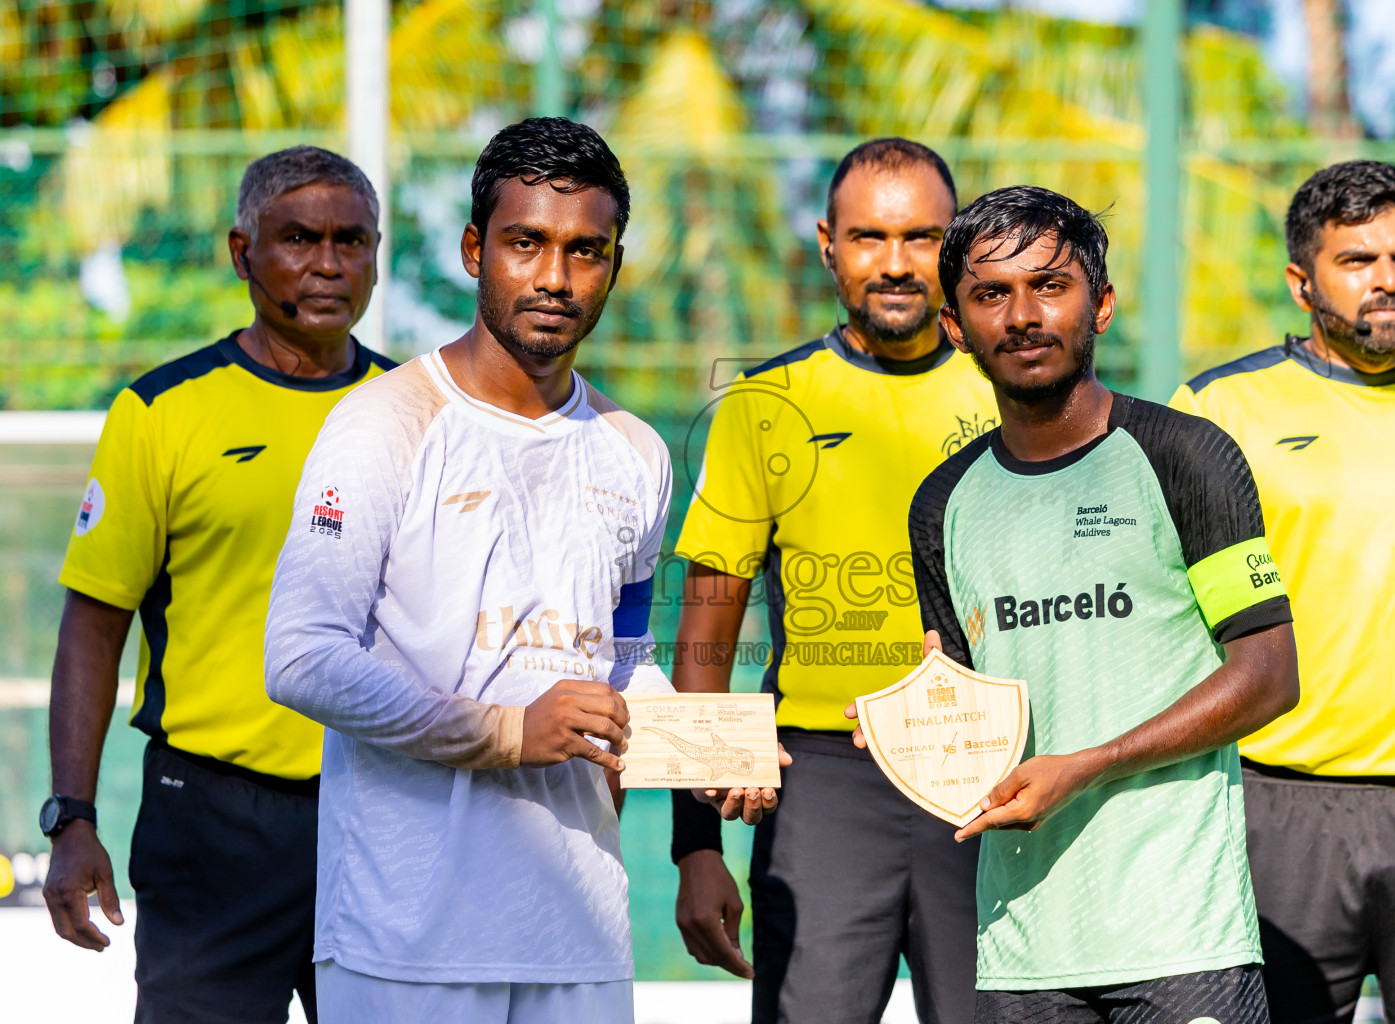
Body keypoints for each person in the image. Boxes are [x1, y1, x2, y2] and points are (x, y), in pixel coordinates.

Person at [263, 117, 761, 1024]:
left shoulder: (637, 452)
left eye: (586, 251)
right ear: (473, 249)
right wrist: (505, 731)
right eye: (525, 243)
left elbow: (618, 658)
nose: (555, 278)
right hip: (404, 939)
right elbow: (300, 655)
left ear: (615, 263)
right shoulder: (383, 423)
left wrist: (710, 757)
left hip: (580, 933)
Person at [898, 185, 1299, 1023]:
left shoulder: (1186, 456)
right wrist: (913, 736)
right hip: (1023, 947)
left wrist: (1088, 765)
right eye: (990, 294)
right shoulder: (942, 502)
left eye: (1050, 285)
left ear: (1102, 304)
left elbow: (1269, 675)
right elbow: (969, 718)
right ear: (953, 326)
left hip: (1183, 936)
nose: (1022, 315)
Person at [1170, 160, 1395, 1024]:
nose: (1389, 283)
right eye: (1358, 262)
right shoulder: (1221, 409)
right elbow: (1168, 624)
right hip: (1276, 802)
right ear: (1302, 282)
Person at [41, 146, 393, 1022]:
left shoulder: (416, 409)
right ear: (243, 253)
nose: (327, 264)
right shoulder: (164, 412)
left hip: (388, 812)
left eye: (352, 241)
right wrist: (72, 817)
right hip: (211, 818)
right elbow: (94, 623)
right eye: (299, 239)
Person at [669, 138, 995, 1024]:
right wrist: (695, 843)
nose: (894, 265)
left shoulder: (1019, 394)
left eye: (922, 238)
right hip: (821, 786)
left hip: (984, 782)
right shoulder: (763, 406)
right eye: (868, 238)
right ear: (827, 243)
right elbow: (706, 630)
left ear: (955, 243)